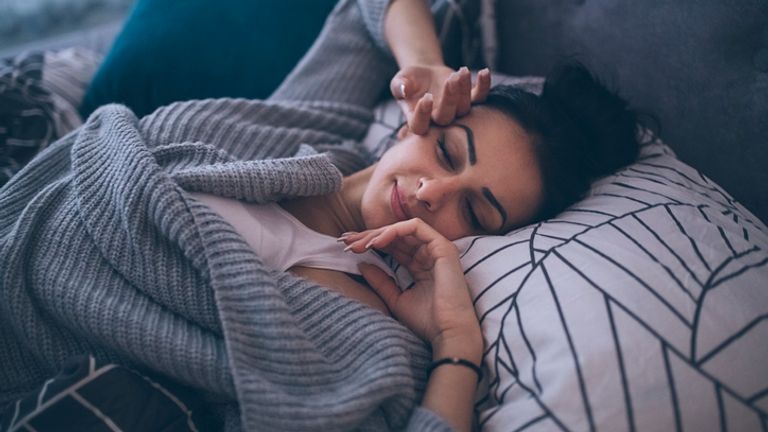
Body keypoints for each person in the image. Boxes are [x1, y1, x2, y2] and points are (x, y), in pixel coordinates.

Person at [0, 0, 639, 430]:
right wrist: (427, 63)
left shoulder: (377, 331)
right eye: (446, 151)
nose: (429, 194)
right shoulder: (322, 126)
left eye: (475, 210)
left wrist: (455, 345)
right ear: (422, 122)